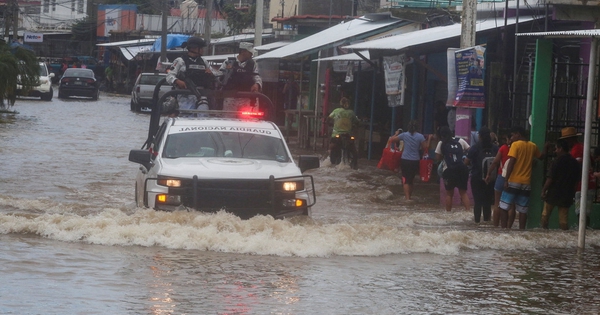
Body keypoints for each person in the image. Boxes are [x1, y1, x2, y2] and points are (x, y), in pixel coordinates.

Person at [498, 126, 541, 229]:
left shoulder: (515, 145)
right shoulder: (533, 146)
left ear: (518, 134)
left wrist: (506, 180)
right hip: (526, 182)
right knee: (523, 210)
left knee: (503, 207)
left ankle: (504, 231)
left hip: (513, 181)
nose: (511, 138)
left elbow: (511, 162)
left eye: (513, 135)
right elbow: (541, 157)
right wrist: (547, 148)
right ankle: (521, 231)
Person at [166, 36, 216, 111]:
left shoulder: (204, 62)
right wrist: (177, 81)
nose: (203, 50)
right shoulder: (180, 61)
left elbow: (216, 74)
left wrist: (211, 73)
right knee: (187, 116)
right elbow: (169, 75)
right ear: (194, 48)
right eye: (201, 48)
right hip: (185, 94)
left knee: (203, 115)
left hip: (201, 94)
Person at [541, 139, 581, 230]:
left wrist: (543, 190)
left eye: (556, 149)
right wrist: (572, 192)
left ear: (561, 149)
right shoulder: (575, 163)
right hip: (567, 194)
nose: (555, 151)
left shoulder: (557, 161)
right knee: (563, 220)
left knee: (545, 216)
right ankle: (565, 239)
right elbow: (577, 181)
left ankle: (544, 235)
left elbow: (550, 178)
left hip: (553, 193)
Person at [559, 126, 594, 225]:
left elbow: (575, 167)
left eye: (566, 140)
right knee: (583, 212)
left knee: (581, 212)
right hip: (587, 183)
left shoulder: (576, 149)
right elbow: (592, 161)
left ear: (570, 139)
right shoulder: (582, 147)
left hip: (582, 184)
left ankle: (583, 234)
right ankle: (584, 233)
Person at [390, 120, 431, 202]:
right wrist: (429, 138)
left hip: (405, 160)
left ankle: (407, 198)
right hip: (415, 160)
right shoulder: (420, 136)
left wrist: (396, 133)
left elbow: (392, 140)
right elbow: (425, 147)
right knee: (411, 179)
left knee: (405, 179)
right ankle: (410, 197)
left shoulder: (404, 135)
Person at [465, 126, 498, 223]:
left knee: (478, 202)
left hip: (477, 178)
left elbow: (466, 162)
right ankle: (487, 222)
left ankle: (477, 223)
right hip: (491, 179)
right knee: (487, 202)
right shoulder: (495, 148)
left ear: (479, 136)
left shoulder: (475, 148)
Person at [218, 42, 262, 112]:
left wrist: (257, 84)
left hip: (246, 97)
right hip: (230, 98)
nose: (252, 54)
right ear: (243, 52)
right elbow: (219, 75)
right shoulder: (229, 62)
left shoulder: (252, 63)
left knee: (248, 121)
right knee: (228, 120)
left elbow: (256, 76)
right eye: (250, 52)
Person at [436, 126, 470, 212]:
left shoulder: (441, 143)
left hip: (449, 170)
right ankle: (468, 212)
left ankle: (448, 214)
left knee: (449, 194)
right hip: (462, 169)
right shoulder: (460, 141)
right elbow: (470, 151)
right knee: (463, 193)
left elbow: (437, 157)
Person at [485, 132, 514, 227]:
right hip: (514, 178)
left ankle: (496, 227)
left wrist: (488, 174)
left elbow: (495, 162)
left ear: (509, 139)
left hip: (502, 177)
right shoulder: (518, 149)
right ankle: (508, 227)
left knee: (497, 203)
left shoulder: (503, 148)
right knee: (511, 205)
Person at [328, 97, 359, 169]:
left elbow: (328, 119)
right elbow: (357, 122)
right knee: (354, 152)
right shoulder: (351, 113)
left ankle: (329, 157)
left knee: (331, 147)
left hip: (336, 134)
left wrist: (328, 123)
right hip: (348, 135)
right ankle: (354, 166)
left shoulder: (336, 111)